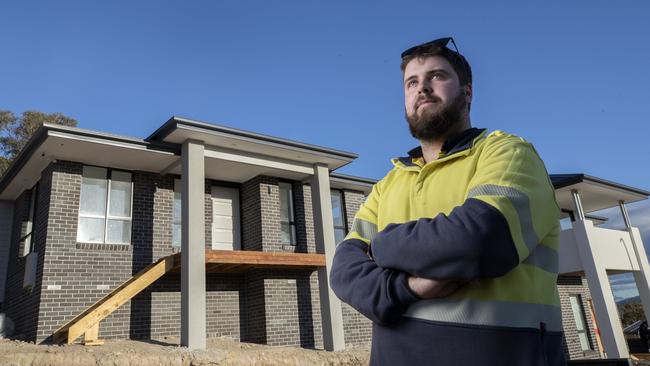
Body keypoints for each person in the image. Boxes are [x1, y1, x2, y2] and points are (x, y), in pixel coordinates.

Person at [330, 37, 566, 365]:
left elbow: (479, 239)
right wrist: (408, 288)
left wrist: (382, 245)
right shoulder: (388, 184)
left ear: (467, 92)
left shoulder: (506, 152)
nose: (422, 88)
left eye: (437, 76)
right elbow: (343, 271)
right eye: (412, 82)